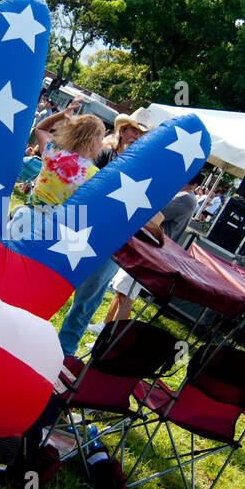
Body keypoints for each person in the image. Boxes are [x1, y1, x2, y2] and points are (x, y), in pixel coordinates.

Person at [54, 117, 150, 356]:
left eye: (142, 134)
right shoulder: (102, 155)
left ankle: (64, 351)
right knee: (52, 283)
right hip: (77, 230)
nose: (136, 136)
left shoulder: (143, 170)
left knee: (88, 300)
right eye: (134, 130)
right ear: (123, 130)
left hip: (110, 241)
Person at [94, 180, 199, 330]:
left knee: (126, 293)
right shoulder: (185, 197)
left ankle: (112, 335)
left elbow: (154, 211)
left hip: (152, 251)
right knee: (121, 288)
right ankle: (106, 326)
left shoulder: (186, 199)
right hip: (148, 249)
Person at [27, 109, 105, 207]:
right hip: (56, 221)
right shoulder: (94, 174)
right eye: (101, 139)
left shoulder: (53, 153)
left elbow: (41, 129)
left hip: (26, 216)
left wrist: (62, 114)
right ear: (92, 141)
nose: (103, 144)